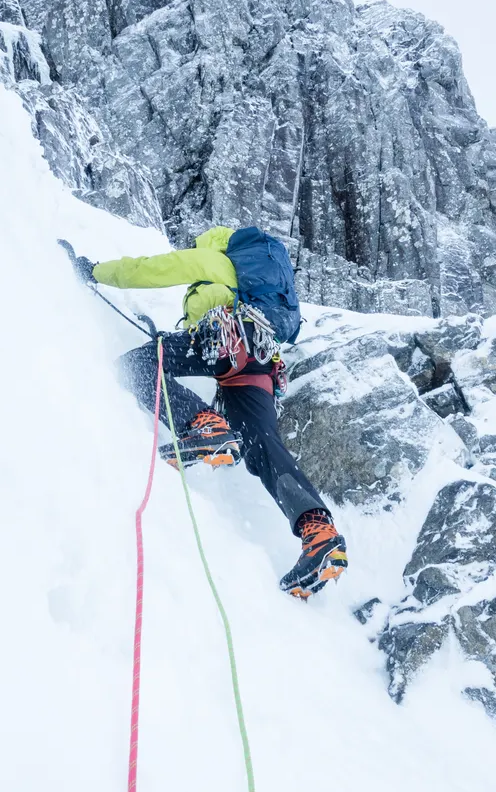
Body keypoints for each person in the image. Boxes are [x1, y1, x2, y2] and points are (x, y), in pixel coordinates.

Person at [69, 225, 347, 599]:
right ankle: (319, 533)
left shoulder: (218, 260)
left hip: (226, 341)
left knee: (136, 366)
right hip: (259, 361)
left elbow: (153, 269)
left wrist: (93, 271)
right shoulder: (269, 288)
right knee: (263, 446)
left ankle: (203, 426)